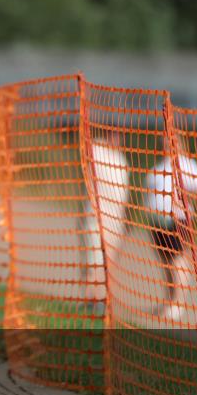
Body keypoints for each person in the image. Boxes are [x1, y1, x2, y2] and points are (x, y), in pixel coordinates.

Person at [143, 135, 197, 322]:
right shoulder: (160, 166)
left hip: (177, 221)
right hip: (158, 222)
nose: (167, 144)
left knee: (176, 260)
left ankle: (178, 304)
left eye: (172, 141)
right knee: (166, 261)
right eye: (165, 141)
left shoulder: (185, 164)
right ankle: (169, 301)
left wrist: (185, 194)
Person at [80, 130, 129, 316]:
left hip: (115, 222)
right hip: (94, 217)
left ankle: (99, 301)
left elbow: (123, 197)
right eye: (113, 133)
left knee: (106, 264)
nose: (116, 137)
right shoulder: (97, 149)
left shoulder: (122, 162)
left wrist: (123, 223)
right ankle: (89, 301)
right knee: (93, 262)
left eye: (119, 134)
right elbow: (86, 146)